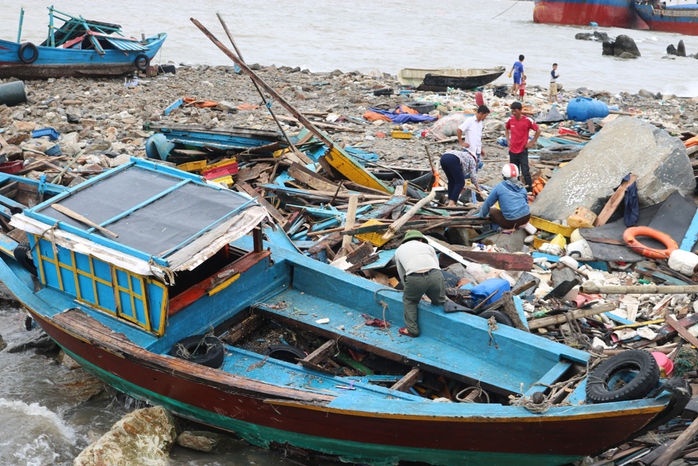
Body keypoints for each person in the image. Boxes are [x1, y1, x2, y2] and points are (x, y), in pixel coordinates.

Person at [393, 230, 445, 338]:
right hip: (435, 275)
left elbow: (401, 273)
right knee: (439, 301)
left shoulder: (399, 250)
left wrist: (409, 289)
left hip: (414, 278)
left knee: (410, 301)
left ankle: (412, 330)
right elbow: (436, 265)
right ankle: (441, 328)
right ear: (420, 239)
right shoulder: (428, 247)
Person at [477, 164, 531, 229]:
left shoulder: (499, 187)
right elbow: (526, 202)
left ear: (503, 175)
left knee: (491, 211)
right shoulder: (522, 187)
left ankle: (496, 228)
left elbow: (488, 204)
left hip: (511, 221)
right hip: (526, 217)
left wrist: (480, 217)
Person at [505, 101, 541, 191]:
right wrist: (508, 139)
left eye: (515, 111)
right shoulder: (510, 120)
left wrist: (532, 142)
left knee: (525, 171)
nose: (514, 113)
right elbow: (506, 128)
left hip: (522, 150)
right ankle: (515, 189)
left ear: (520, 110)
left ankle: (529, 189)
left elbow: (538, 130)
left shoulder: (527, 120)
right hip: (512, 150)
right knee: (514, 172)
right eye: (512, 111)